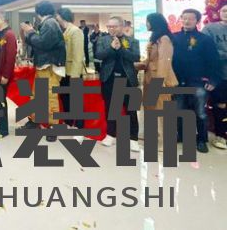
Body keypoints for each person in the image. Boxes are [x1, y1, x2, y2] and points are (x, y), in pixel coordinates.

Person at [173, 8, 221, 153]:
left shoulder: (205, 39)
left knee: (200, 113)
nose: (187, 21)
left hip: (198, 82)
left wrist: (213, 80)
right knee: (179, 110)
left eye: (191, 18)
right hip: (177, 82)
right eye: (184, 18)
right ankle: (181, 135)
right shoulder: (174, 38)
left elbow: (214, 61)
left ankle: (201, 139)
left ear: (197, 21)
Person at [21, 1, 66, 142]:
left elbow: (43, 43)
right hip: (44, 65)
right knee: (38, 96)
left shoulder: (50, 23)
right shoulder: (49, 23)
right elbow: (40, 42)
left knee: (50, 97)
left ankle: (53, 127)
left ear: (38, 12)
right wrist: (29, 33)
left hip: (50, 66)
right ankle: (35, 121)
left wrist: (30, 31)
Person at [95, 16, 141, 152]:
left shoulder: (132, 41)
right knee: (111, 108)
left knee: (131, 110)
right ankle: (111, 135)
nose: (111, 29)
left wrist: (121, 49)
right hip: (109, 78)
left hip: (128, 79)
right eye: (109, 26)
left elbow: (136, 57)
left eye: (114, 26)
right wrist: (111, 48)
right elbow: (99, 55)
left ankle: (133, 138)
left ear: (122, 27)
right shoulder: (103, 40)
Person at [134, 13, 178, 150]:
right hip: (149, 78)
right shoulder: (154, 37)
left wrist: (160, 81)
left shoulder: (164, 39)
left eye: (148, 21)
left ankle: (165, 142)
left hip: (159, 79)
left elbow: (164, 60)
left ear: (155, 22)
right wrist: (136, 65)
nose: (146, 24)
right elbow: (150, 60)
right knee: (150, 109)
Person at [56, 8, 87, 136]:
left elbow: (78, 55)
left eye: (57, 15)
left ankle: (79, 127)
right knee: (65, 98)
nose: (56, 18)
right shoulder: (64, 31)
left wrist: (75, 75)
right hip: (63, 71)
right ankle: (68, 122)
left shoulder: (75, 31)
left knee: (76, 101)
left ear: (62, 16)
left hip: (73, 72)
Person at [202, 2, 227, 149]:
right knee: (220, 105)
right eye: (224, 10)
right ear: (218, 12)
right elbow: (207, 50)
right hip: (220, 75)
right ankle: (220, 135)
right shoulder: (210, 28)